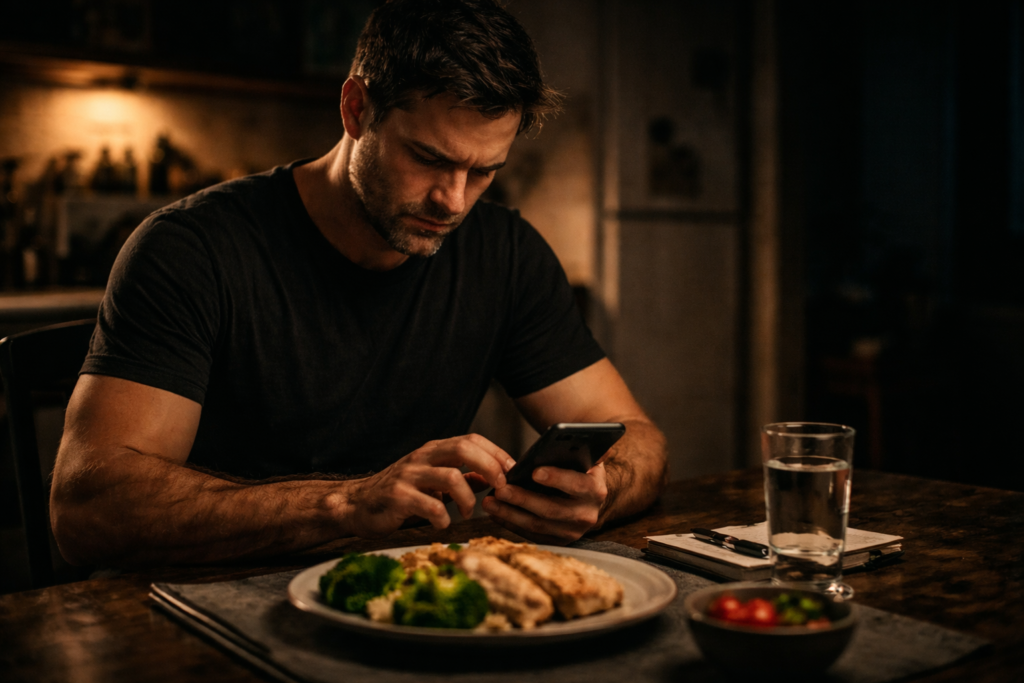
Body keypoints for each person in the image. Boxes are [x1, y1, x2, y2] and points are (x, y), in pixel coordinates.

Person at [50, 0, 667, 568]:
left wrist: (602, 491)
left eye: (483, 172)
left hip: (405, 601)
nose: (452, 201)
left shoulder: (505, 253)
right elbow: (86, 509)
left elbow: (638, 438)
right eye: (429, 158)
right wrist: (345, 504)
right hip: (203, 606)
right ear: (355, 109)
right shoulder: (191, 250)